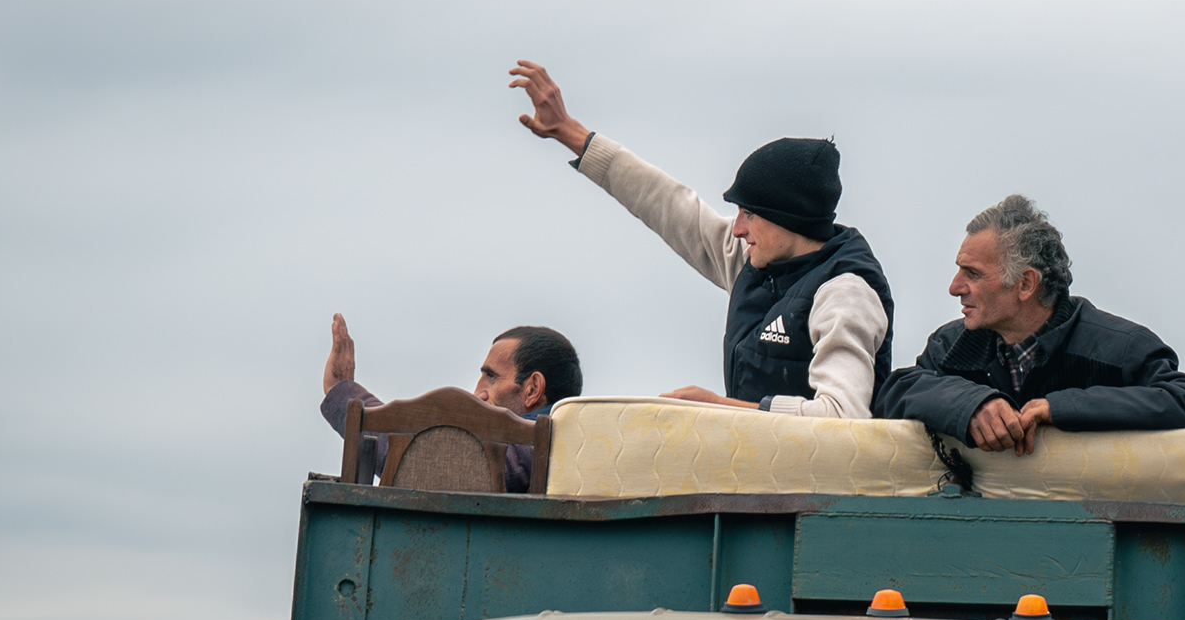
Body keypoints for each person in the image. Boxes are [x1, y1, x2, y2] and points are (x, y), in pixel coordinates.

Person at [510, 60, 894, 418]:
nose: (737, 228)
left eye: (748, 213)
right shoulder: (754, 258)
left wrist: (719, 409)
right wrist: (569, 132)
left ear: (786, 219)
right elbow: (667, 205)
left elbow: (843, 416)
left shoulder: (846, 293)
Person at [874, 195, 1185, 454]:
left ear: (1025, 284)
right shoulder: (951, 344)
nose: (954, 287)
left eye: (972, 274)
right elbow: (896, 390)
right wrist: (973, 405)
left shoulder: (1121, 346)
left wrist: (1059, 408)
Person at [321, 314, 581, 492]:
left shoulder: (535, 449)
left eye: (491, 377)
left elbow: (426, 459)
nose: (478, 393)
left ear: (533, 389)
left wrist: (340, 390)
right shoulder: (574, 447)